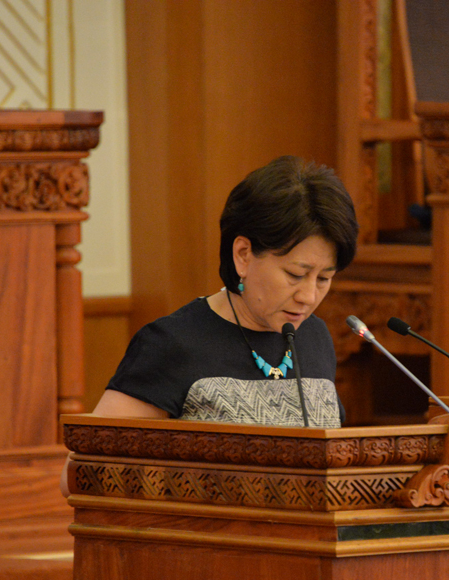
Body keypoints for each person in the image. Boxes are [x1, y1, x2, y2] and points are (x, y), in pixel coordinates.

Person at [93, 155, 359, 428]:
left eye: (324, 278)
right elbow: (95, 452)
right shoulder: (173, 344)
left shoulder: (314, 337)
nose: (309, 297)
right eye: (295, 275)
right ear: (243, 254)